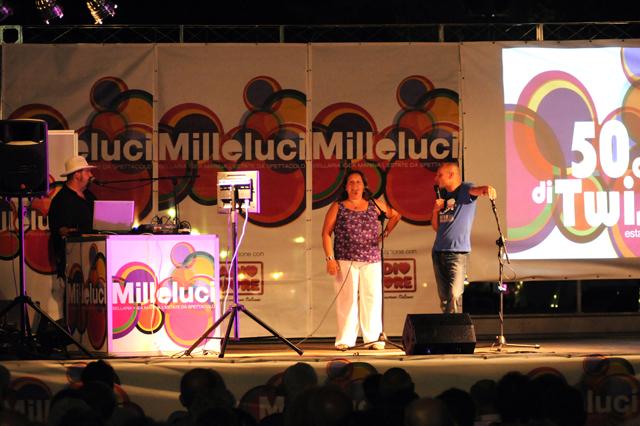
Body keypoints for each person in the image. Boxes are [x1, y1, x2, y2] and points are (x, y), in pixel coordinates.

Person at [321, 169, 401, 351]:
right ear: (345, 187)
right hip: (345, 259)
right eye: (351, 182)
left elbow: (395, 215)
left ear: (364, 186)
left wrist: (385, 233)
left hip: (371, 259)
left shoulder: (374, 204)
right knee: (346, 300)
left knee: (372, 298)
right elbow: (326, 233)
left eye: (358, 182)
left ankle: (373, 339)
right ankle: (345, 339)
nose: (355, 186)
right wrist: (330, 258)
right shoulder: (338, 206)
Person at [431, 161, 496, 313]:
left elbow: (477, 191)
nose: (436, 178)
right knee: (444, 298)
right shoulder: (443, 195)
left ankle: (452, 326)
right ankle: (448, 325)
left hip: (457, 253)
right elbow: (436, 227)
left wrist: (486, 189)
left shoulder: (465, 189)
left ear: (451, 175)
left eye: (440, 175)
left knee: (454, 294)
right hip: (438, 252)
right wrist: (435, 210)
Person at [48, 155, 96, 277]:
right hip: (74, 261)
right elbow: (59, 230)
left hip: (94, 257)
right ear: (77, 175)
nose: (91, 175)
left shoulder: (90, 196)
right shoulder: (61, 200)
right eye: (87, 171)